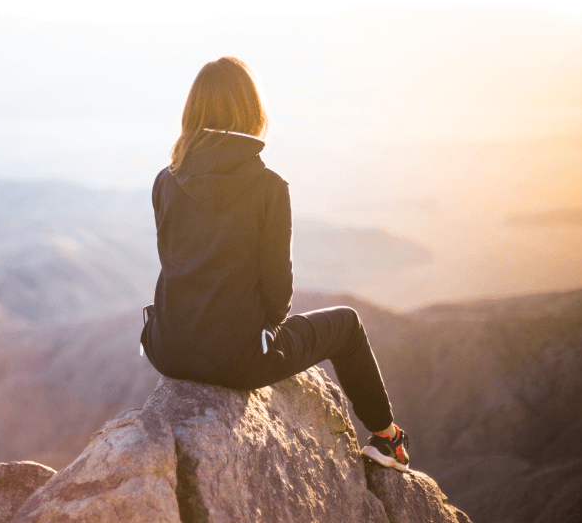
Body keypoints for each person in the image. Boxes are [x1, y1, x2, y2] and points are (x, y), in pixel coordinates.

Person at [139, 56, 410, 471]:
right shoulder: (269, 188)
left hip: (166, 348)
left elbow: (174, 261)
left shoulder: (165, 179)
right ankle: (386, 438)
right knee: (348, 324)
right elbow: (279, 293)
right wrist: (260, 335)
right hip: (240, 360)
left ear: (192, 112)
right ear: (252, 112)